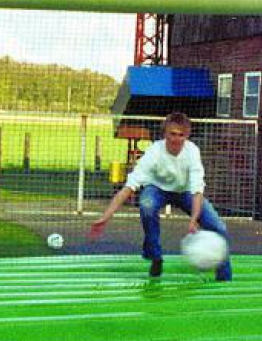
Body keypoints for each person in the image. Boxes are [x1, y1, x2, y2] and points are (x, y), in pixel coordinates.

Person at [88, 112, 232, 281]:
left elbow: (197, 190)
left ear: (187, 136)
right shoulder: (154, 152)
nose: (175, 139)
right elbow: (129, 187)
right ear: (165, 133)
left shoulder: (192, 152)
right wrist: (106, 216)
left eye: (180, 135)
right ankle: (155, 256)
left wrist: (194, 219)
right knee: (147, 204)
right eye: (172, 134)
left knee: (219, 228)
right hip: (156, 189)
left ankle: (224, 277)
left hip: (185, 192)